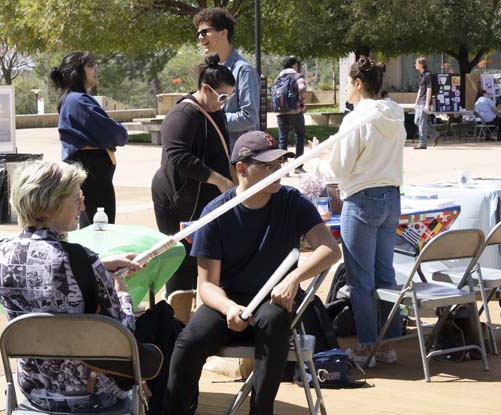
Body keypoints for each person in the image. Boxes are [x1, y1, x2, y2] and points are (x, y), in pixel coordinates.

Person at [164, 131, 341, 415]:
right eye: (268, 166)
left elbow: (330, 250)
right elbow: (207, 285)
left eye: (280, 164)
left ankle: (261, 410)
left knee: (274, 321)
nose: (278, 171)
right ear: (241, 168)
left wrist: (293, 278)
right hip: (227, 300)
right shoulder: (217, 212)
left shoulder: (291, 202)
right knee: (188, 341)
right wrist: (229, 308)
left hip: (273, 300)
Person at [0, 161, 145, 412]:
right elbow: (121, 331)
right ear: (52, 205)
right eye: (77, 199)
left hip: (35, 390)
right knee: (158, 328)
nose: (83, 205)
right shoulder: (81, 258)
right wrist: (121, 287)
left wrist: (99, 266)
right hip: (93, 392)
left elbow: (42, 281)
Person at [306, 56, 406, 367]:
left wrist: (314, 159)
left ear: (359, 83)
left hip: (362, 199)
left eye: (348, 82)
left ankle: (366, 346)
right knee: (384, 274)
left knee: (360, 279)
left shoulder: (357, 118)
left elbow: (338, 169)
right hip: (391, 196)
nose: (346, 88)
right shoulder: (395, 113)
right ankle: (388, 342)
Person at [151, 53, 236, 304]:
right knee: (182, 262)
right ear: (205, 89)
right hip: (177, 202)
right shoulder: (183, 115)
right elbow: (178, 156)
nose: (225, 102)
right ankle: (177, 320)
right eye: (222, 96)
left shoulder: (214, 110)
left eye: (229, 97)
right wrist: (218, 180)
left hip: (203, 201)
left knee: (209, 256)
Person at [51, 52, 128, 228]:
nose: (96, 69)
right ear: (77, 72)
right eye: (91, 65)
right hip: (93, 175)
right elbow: (115, 133)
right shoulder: (79, 101)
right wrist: (120, 132)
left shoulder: (72, 99)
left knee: (91, 226)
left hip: (89, 173)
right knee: (99, 229)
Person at [194, 7, 259, 149]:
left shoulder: (243, 70)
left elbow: (249, 117)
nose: (200, 37)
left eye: (205, 32)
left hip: (236, 158)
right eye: (198, 33)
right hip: (214, 154)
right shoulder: (209, 69)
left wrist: (211, 118)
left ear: (223, 32)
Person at [274, 56, 308, 172]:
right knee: (300, 135)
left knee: (283, 138)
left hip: (281, 112)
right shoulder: (297, 76)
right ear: (294, 65)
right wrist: (303, 103)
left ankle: (283, 167)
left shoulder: (278, 78)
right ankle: (298, 166)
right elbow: (302, 89)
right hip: (295, 111)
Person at [413, 56, 439, 149]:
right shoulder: (421, 75)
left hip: (425, 101)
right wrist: (416, 102)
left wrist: (427, 104)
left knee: (422, 122)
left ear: (421, 64)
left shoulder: (428, 75)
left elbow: (429, 89)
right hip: (420, 101)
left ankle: (422, 143)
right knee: (416, 121)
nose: (415, 64)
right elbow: (420, 89)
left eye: (416, 63)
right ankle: (435, 134)